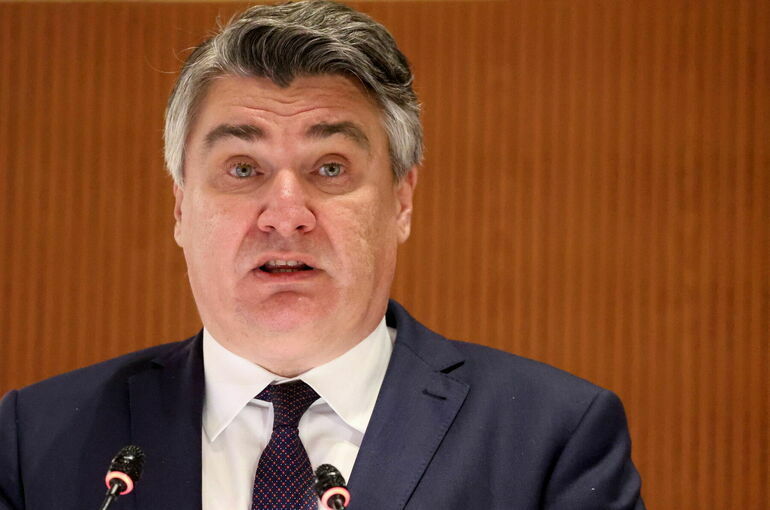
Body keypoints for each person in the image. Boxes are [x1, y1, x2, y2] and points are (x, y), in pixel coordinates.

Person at [0, 1, 644, 509]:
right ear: (180, 207)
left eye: (330, 167)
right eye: (243, 167)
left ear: (400, 201)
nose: (286, 213)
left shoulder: (549, 439)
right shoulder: (37, 440)